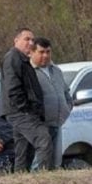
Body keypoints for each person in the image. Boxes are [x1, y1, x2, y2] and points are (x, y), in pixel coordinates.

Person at [0, 27, 52, 171]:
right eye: (26, 39)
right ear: (16, 40)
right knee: (43, 139)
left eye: (32, 40)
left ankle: (21, 181)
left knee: (24, 150)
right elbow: (13, 87)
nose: (30, 42)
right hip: (19, 111)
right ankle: (45, 177)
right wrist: (26, 109)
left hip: (21, 111)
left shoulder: (24, 60)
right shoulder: (13, 57)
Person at [31, 37, 72, 167]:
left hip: (57, 123)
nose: (45, 55)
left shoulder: (56, 70)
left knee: (55, 162)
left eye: (48, 52)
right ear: (32, 52)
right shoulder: (29, 72)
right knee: (40, 162)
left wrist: (67, 108)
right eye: (41, 52)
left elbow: (66, 93)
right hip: (40, 125)